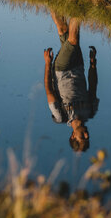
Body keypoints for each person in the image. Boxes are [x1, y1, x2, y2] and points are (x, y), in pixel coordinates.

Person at [42, 10, 98, 151]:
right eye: (88, 137)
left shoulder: (60, 116)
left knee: (73, 40)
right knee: (63, 29)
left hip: (62, 69)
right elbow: (93, 85)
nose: (86, 133)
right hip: (79, 65)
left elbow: (49, 91)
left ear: (73, 136)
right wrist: (93, 65)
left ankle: (77, 6)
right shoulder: (90, 111)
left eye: (82, 137)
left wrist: (48, 63)